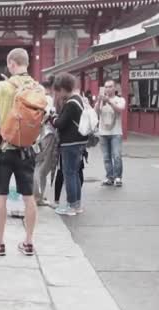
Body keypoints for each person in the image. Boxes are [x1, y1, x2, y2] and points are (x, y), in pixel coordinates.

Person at [0, 48, 39, 256]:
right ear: (27, 63)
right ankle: (29, 242)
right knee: (28, 197)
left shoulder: (3, 86)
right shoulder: (37, 87)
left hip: (4, 148)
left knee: (0, 198)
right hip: (27, 149)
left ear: (10, 64)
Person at [51, 73, 88, 216]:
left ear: (63, 88)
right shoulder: (79, 99)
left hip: (70, 143)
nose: (58, 94)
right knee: (75, 173)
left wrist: (52, 118)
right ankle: (77, 204)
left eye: (58, 90)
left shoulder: (71, 103)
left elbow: (60, 124)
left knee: (69, 174)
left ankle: (71, 206)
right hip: (80, 142)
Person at [95, 78, 126, 187]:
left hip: (116, 132)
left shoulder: (120, 99)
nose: (108, 89)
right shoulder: (101, 101)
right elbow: (96, 112)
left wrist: (109, 101)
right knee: (106, 157)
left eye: (110, 86)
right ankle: (109, 177)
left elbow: (120, 110)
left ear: (115, 88)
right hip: (103, 132)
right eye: (106, 87)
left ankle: (118, 177)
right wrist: (99, 101)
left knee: (116, 155)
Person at [33, 75, 59, 206]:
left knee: (37, 166)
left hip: (35, 135)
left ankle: (36, 196)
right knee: (41, 167)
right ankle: (38, 197)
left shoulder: (34, 98)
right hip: (46, 133)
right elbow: (48, 114)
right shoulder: (47, 98)